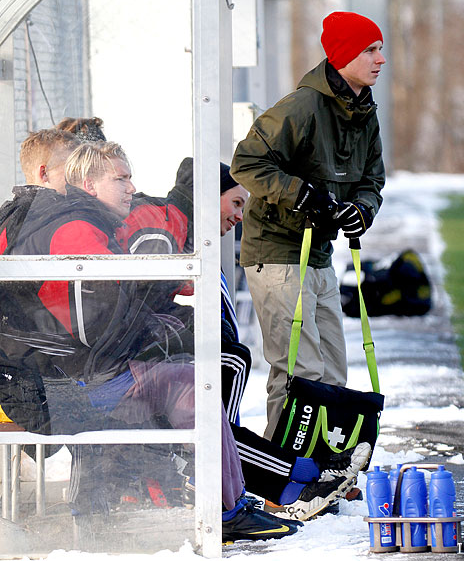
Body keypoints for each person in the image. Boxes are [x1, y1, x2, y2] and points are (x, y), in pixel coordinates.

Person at [5, 141, 305, 541]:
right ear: (89, 184)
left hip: (51, 375)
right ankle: (228, 506)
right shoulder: (76, 228)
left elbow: (107, 311)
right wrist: (165, 328)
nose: (132, 188)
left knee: (190, 374)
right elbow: (97, 326)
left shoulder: (78, 220)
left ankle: (229, 501)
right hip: (54, 385)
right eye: (121, 179)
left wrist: (161, 322)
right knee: (196, 382)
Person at [123, 156, 371, 521]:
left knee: (230, 360)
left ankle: (296, 477)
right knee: (230, 362)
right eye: (236, 203)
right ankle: (295, 478)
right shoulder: (162, 222)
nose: (240, 216)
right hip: (121, 367)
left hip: (139, 360)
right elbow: (137, 299)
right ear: (206, 195)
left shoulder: (187, 232)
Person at [232, 11, 386, 440]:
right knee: (300, 370)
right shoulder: (300, 106)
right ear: (342, 57)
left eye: (379, 49)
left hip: (319, 255)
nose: (381, 59)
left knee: (334, 370)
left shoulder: (364, 111)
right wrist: (301, 195)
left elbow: (373, 179)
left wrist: (361, 209)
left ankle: (325, 467)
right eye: (370, 50)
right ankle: (279, 475)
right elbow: (246, 162)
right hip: (277, 252)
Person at [0, 129, 81, 254]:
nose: (81, 178)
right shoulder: (53, 218)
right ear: (44, 173)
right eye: (73, 171)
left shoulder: (8, 216)